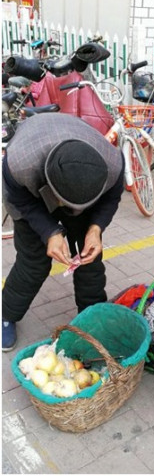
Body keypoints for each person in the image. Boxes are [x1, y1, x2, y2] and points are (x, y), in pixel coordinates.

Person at [2, 113, 124, 351]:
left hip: (79, 179)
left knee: (90, 257)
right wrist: (50, 232)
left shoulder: (113, 164)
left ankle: (92, 319)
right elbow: (22, 201)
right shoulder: (19, 165)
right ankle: (6, 314)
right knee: (34, 262)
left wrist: (96, 228)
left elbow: (111, 199)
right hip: (31, 194)